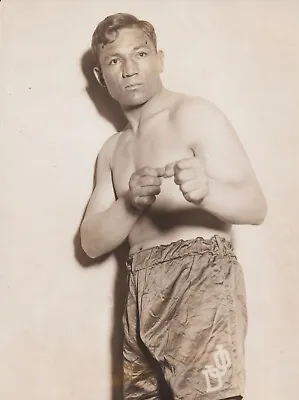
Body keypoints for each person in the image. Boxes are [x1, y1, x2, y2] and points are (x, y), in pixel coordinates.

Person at [80, 12, 267, 400]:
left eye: (141, 53)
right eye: (115, 60)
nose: (130, 69)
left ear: (159, 59)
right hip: (139, 290)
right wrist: (131, 203)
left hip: (201, 281)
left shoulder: (194, 114)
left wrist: (207, 192)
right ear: (101, 77)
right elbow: (91, 242)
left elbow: (255, 206)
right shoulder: (112, 151)